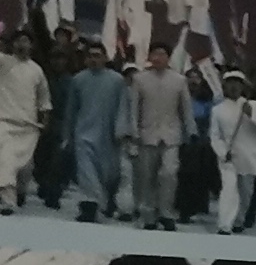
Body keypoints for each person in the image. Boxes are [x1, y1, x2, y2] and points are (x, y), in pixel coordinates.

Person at [0, 26, 51, 213]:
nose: (22, 44)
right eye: (18, 41)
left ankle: (19, 191)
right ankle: (8, 200)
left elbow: (44, 98)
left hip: (27, 126)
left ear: (31, 45)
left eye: (26, 41)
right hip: (1, 121)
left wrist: (45, 118)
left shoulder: (36, 70)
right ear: (12, 45)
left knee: (24, 166)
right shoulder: (2, 62)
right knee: (4, 159)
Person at [62, 39, 130, 224]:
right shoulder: (78, 80)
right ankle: (90, 205)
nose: (94, 59)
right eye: (90, 56)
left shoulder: (117, 81)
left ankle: (103, 203)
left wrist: (121, 130)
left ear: (105, 58)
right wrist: (67, 135)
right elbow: (71, 110)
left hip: (109, 135)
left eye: (97, 56)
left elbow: (123, 107)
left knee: (107, 173)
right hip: (83, 134)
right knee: (86, 171)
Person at [128, 46, 187, 230]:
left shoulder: (179, 80)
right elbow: (134, 108)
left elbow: (185, 108)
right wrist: (134, 131)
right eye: (155, 54)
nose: (158, 57)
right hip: (147, 134)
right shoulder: (140, 79)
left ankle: (166, 212)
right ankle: (148, 215)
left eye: (162, 54)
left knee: (169, 173)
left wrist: (190, 130)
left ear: (168, 57)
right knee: (147, 177)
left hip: (171, 134)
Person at [210, 70, 256, 235]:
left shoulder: (253, 105)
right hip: (228, 157)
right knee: (228, 189)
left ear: (242, 86)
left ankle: (239, 220)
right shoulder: (217, 110)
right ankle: (224, 224)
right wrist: (222, 152)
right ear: (225, 86)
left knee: (245, 192)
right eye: (230, 83)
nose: (234, 87)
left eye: (237, 83)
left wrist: (252, 115)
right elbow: (215, 136)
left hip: (249, 156)